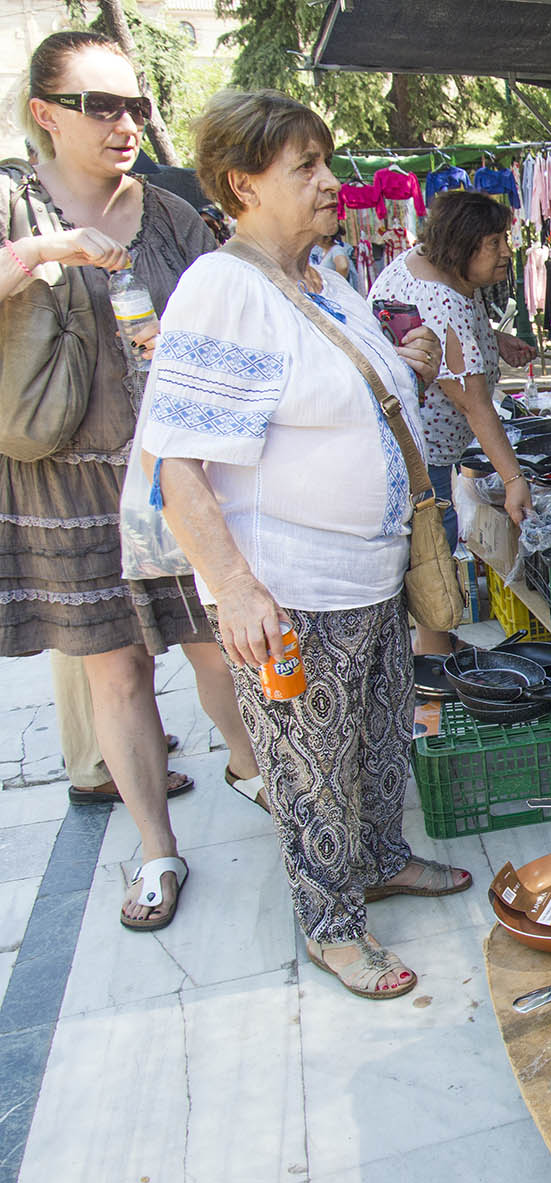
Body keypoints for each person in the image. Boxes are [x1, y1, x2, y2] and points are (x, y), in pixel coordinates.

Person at [144, 90, 469, 1001]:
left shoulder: (324, 279)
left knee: (371, 743)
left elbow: (341, 391)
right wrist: (238, 592)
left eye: (328, 161)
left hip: (367, 572)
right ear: (242, 184)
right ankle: (332, 924)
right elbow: (178, 466)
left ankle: (380, 861)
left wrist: (411, 371)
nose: (332, 182)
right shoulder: (222, 287)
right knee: (310, 768)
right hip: (291, 589)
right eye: (306, 168)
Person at [0, 31, 260, 930]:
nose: (125, 125)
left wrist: (181, 342)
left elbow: (230, 307)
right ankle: (157, 849)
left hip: (169, 474)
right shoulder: (14, 201)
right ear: (45, 114)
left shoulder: (170, 211)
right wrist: (48, 251)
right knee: (117, 670)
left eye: (136, 107)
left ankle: (256, 770)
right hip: (63, 483)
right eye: (101, 106)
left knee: (216, 642)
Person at [368, 189, 536, 655]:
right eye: (495, 242)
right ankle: (434, 658)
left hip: (396, 444)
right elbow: (475, 406)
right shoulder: (445, 304)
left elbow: (450, 347)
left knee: (426, 552)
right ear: (463, 244)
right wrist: (514, 478)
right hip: (420, 455)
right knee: (431, 553)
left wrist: (494, 341)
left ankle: (435, 643)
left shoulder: (420, 263)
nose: (507, 252)